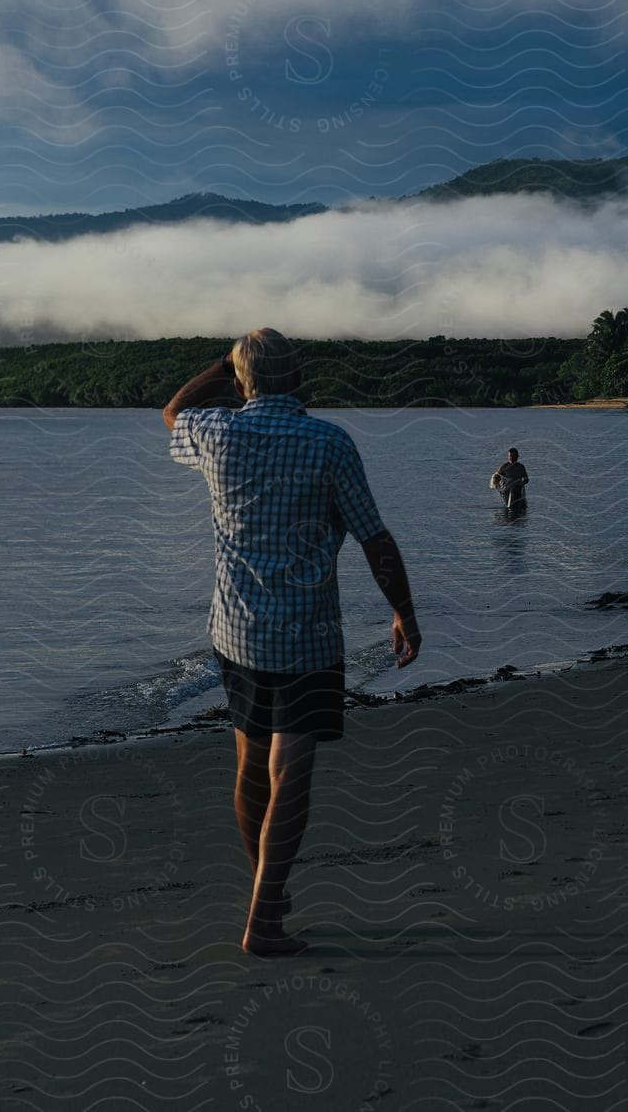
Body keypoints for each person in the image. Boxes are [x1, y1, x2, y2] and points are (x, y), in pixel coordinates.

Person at [164, 328, 420, 957]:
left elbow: (173, 413)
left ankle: (268, 897)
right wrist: (403, 615)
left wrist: (223, 366)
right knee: (291, 772)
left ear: (241, 381)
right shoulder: (330, 443)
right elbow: (374, 540)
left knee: (253, 767)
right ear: (299, 378)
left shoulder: (217, 435)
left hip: (237, 633)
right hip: (306, 637)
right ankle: (265, 919)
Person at [491, 446, 530, 516]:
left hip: (518, 489)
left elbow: (526, 479)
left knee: (520, 509)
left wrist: (522, 482)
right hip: (507, 491)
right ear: (508, 456)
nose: (511, 457)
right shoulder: (504, 467)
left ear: (517, 456)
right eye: (510, 456)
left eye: (513, 456)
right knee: (510, 508)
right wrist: (499, 487)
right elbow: (496, 477)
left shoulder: (521, 467)